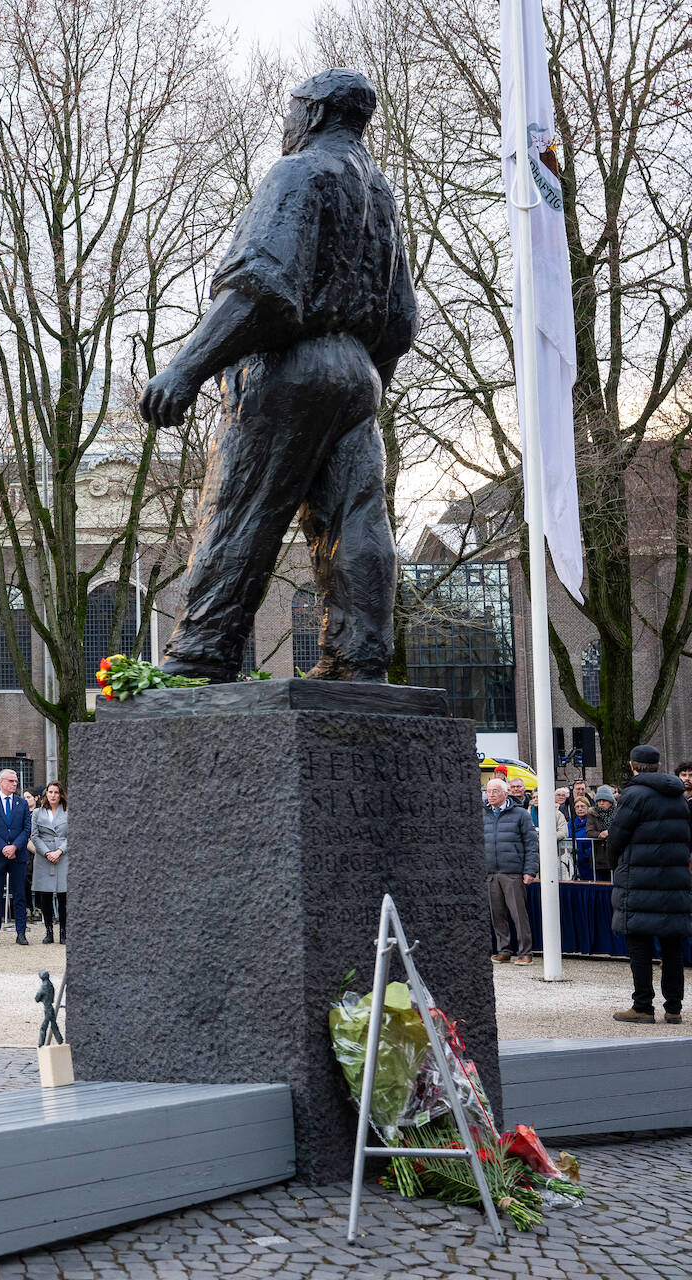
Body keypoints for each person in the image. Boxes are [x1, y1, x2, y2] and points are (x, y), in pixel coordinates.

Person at [142, 69, 415, 683]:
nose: (286, 124)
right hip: (359, 374)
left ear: (313, 112)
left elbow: (261, 286)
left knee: (241, 507)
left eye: (290, 111)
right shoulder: (379, 194)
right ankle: (360, 658)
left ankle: (201, 656)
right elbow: (400, 320)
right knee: (357, 517)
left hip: (288, 367)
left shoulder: (298, 173)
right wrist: (360, 383)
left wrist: (185, 370)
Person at [605, 745, 691, 1024]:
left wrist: (615, 863)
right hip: (674, 881)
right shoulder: (678, 796)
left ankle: (642, 1006)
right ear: (657, 765)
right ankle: (674, 1008)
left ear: (632, 765)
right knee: (672, 946)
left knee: (639, 945)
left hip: (639, 881)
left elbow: (617, 836)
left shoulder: (633, 795)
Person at [482, 777, 538, 965]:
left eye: (495, 791)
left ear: (506, 794)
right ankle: (503, 950)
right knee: (497, 915)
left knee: (518, 915)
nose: (490, 795)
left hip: (513, 872)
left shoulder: (521, 814)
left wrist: (530, 870)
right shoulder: (483, 814)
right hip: (491, 873)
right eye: (488, 791)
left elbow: (531, 844)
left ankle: (525, 952)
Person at [0, 770, 32, 946]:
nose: (15, 784)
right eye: (11, 781)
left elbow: (26, 829)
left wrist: (14, 846)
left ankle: (21, 933)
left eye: (16, 781)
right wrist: (3, 847)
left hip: (18, 855)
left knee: (19, 895)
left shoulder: (22, 803)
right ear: (1, 782)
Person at [30, 783, 69, 944]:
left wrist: (59, 851)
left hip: (63, 855)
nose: (53, 795)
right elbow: (34, 835)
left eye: (56, 792)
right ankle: (49, 931)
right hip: (43, 856)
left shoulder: (68, 811)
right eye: (50, 792)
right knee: (45, 895)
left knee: (63, 895)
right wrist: (47, 852)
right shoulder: (37, 813)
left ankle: (64, 931)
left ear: (61, 795)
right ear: (46, 794)